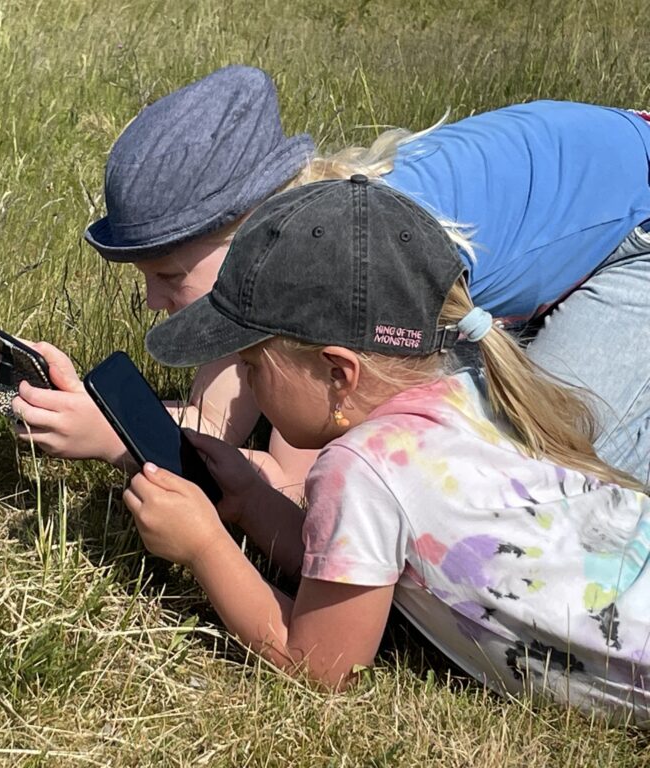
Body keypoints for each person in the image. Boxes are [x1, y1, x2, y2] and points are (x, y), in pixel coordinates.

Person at [0, 66, 650, 493]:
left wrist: (119, 446)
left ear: (250, 229)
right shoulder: (288, 248)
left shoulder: (356, 272)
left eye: (169, 274)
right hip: (599, 186)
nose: (152, 300)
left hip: (637, 231)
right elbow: (217, 429)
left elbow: (299, 486)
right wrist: (92, 412)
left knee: (544, 480)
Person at [127, 175, 650, 723]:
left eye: (253, 366)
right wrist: (254, 504)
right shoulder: (468, 386)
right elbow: (354, 571)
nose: (249, 386)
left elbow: (320, 666)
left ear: (337, 374)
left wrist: (205, 547)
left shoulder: (359, 468)